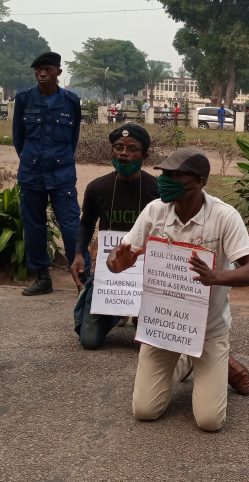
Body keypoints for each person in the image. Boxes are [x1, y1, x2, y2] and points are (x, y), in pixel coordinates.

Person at [106, 147, 249, 430]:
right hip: (163, 328)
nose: (165, 180)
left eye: (175, 175)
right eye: (165, 173)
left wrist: (216, 277)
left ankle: (205, 360)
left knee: (209, 421)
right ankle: (186, 363)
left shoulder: (224, 216)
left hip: (207, 330)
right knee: (145, 410)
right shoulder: (155, 211)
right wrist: (119, 262)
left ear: (200, 182)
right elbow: (115, 262)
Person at [71, 124, 158, 349]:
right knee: (89, 341)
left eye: (132, 149)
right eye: (118, 147)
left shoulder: (157, 190)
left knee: (147, 344)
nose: (123, 153)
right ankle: (114, 312)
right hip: (109, 271)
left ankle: (136, 313)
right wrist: (79, 253)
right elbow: (86, 224)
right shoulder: (97, 188)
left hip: (145, 272)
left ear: (144, 156)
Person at [12, 52, 85, 296]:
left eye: (48, 69)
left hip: (61, 172)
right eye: (38, 69)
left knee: (71, 223)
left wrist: (59, 159)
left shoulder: (71, 101)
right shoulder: (24, 99)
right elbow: (18, 138)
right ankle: (42, 277)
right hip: (32, 172)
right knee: (34, 226)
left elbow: (72, 138)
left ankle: (83, 277)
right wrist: (33, 160)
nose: (42, 73)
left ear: (58, 72)